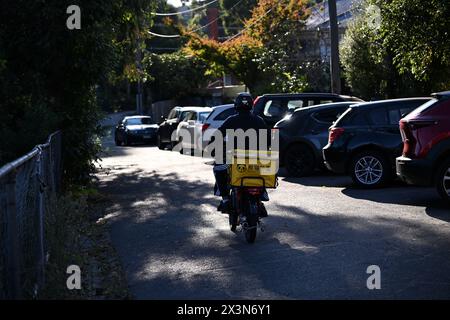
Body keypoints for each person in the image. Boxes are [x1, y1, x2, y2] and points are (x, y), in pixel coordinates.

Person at [213, 92, 270, 214]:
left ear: (236, 106)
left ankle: (225, 199)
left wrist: (214, 149)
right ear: (251, 106)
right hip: (256, 160)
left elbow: (217, 136)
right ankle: (263, 193)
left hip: (234, 159)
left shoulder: (231, 120)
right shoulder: (259, 120)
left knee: (218, 168)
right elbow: (270, 139)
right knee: (263, 170)